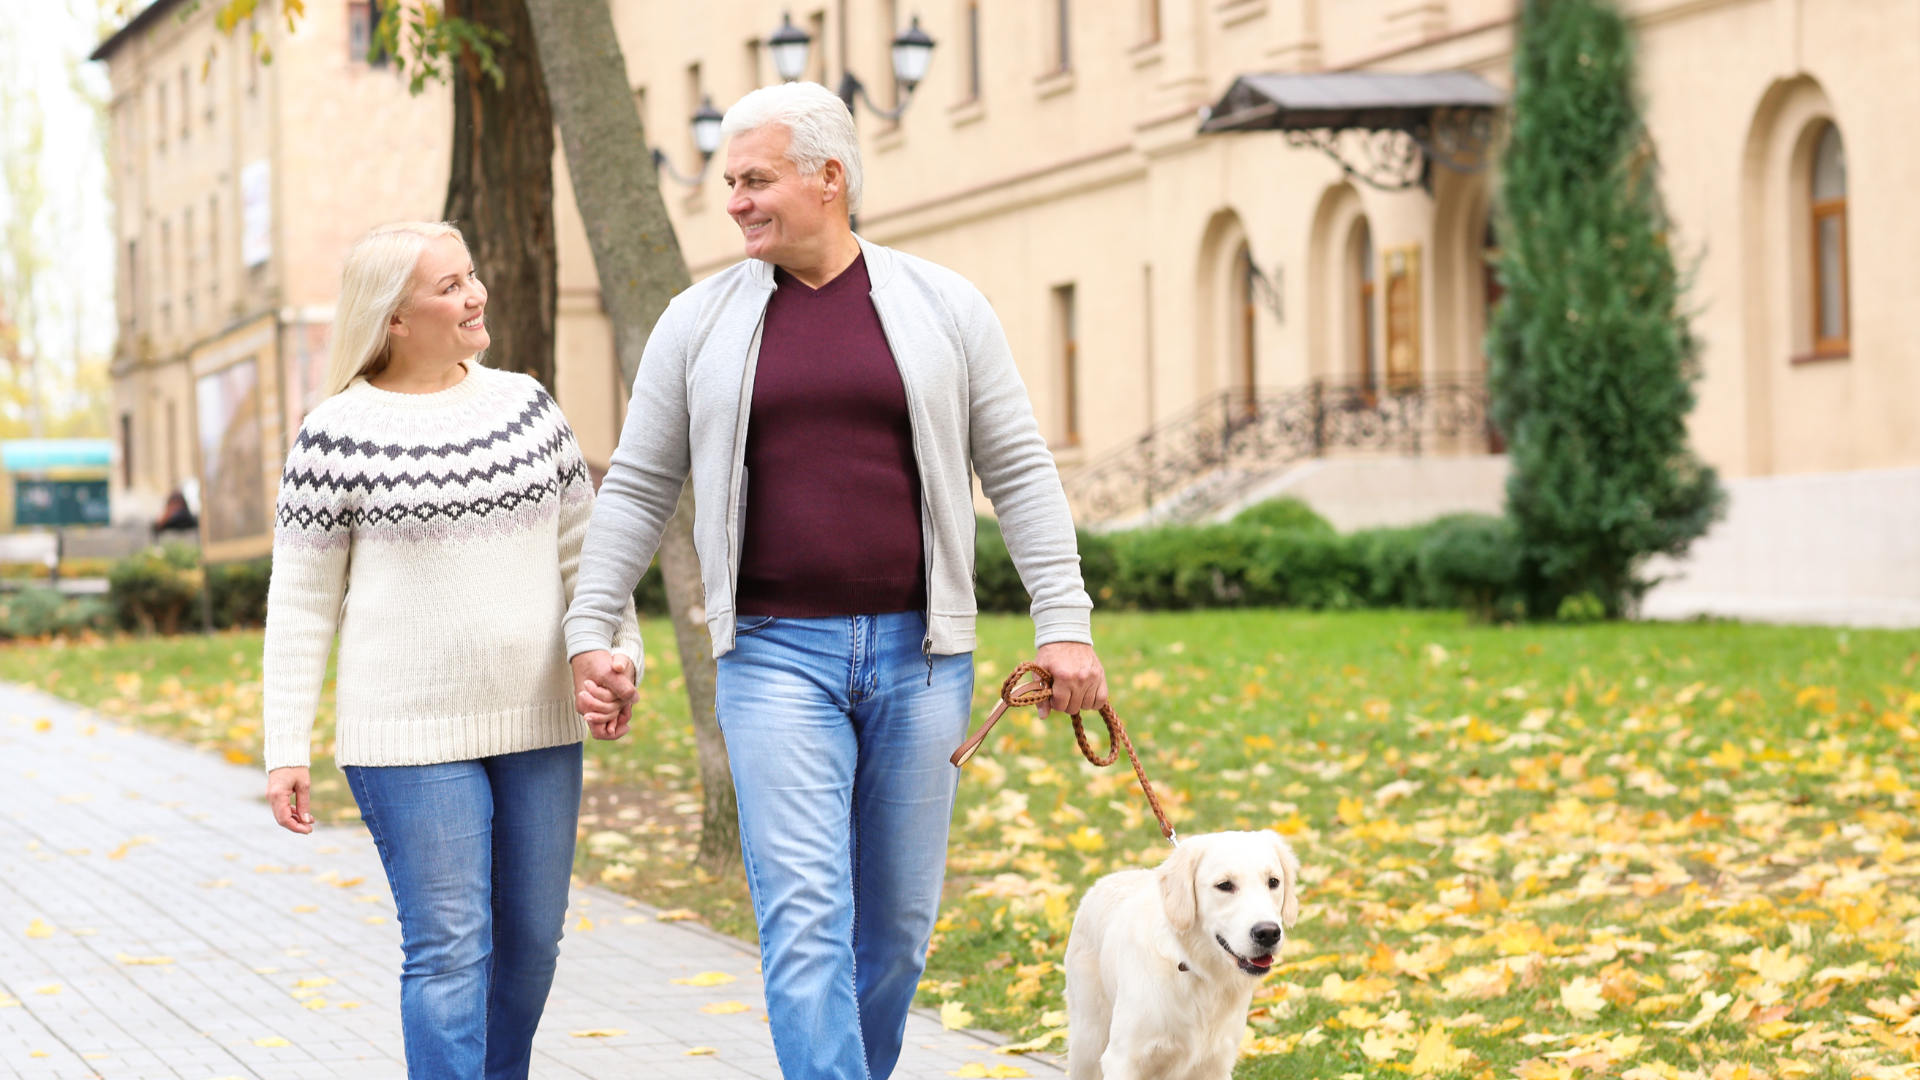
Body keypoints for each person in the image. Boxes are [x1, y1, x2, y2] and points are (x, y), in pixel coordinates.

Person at [564, 81, 1107, 1079]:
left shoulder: (946, 305)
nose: (735, 200)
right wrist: (592, 626)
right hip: (774, 659)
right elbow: (638, 484)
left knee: (894, 932)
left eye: (756, 179)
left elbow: (1021, 469)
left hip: (922, 657)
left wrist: (1064, 624)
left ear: (830, 177)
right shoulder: (698, 323)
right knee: (807, 917)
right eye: (730, 181)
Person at [260, 221, 640, 1080]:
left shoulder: (526, 406)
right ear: (393, 318)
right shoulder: (335, 435)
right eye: (449, 287)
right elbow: (301, 606)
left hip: (539, 722)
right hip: (406, 736)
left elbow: (589, 555)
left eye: (472, 277)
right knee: (449, 950)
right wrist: (286, 746)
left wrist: (616, 658)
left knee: (532, 947)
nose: (474, 297)